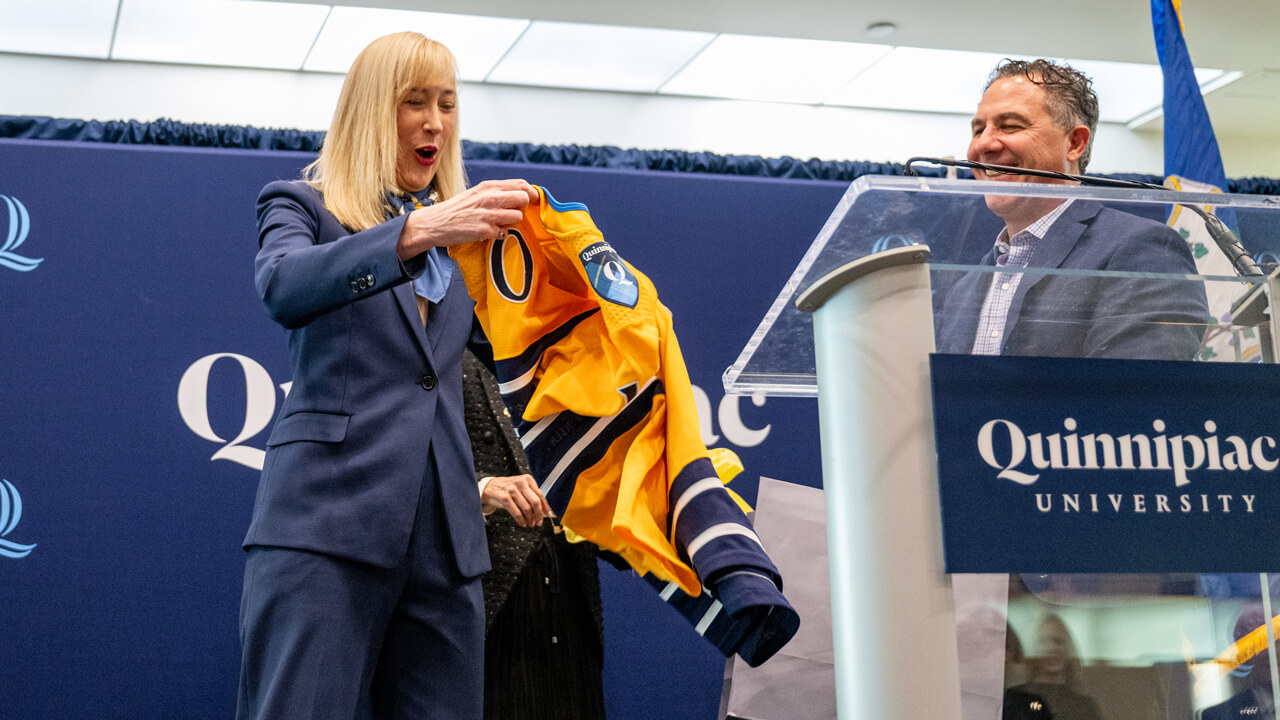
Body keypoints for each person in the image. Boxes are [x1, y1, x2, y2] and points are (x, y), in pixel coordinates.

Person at [236, 31, 547, 720]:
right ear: (374, 110)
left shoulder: (470, 250)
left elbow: (488, 377)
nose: (435, 121)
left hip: (446, 551)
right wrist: (418, 233)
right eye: (414, 102)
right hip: (326, 530)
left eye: (447, 103)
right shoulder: (301, 205)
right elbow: (283, 286)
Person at [934, 58, 1209, 360]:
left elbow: (1139, 397)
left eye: (1010, 126)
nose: (983, 145)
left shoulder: (1143, 251)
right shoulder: (963, 289)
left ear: (1075, 143)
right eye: (977, 130)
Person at [462, 349, 608, 720]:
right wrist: (484, 489)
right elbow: (409, 474)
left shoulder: (572, 360)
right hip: (493, 606)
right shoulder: (444, 356)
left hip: (574, 595)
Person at [1014, 613, 1103, 720]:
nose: (1052, 648)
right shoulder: (1017, 700)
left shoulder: (1084, 706)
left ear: (1068, 648)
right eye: (1043, 642)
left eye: (1058, 641)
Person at [1201, 604, 1276, 720]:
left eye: (1277, 641)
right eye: (1259, 645)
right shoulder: (1218, 716)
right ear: (1244, 658)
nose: (1271, 652)